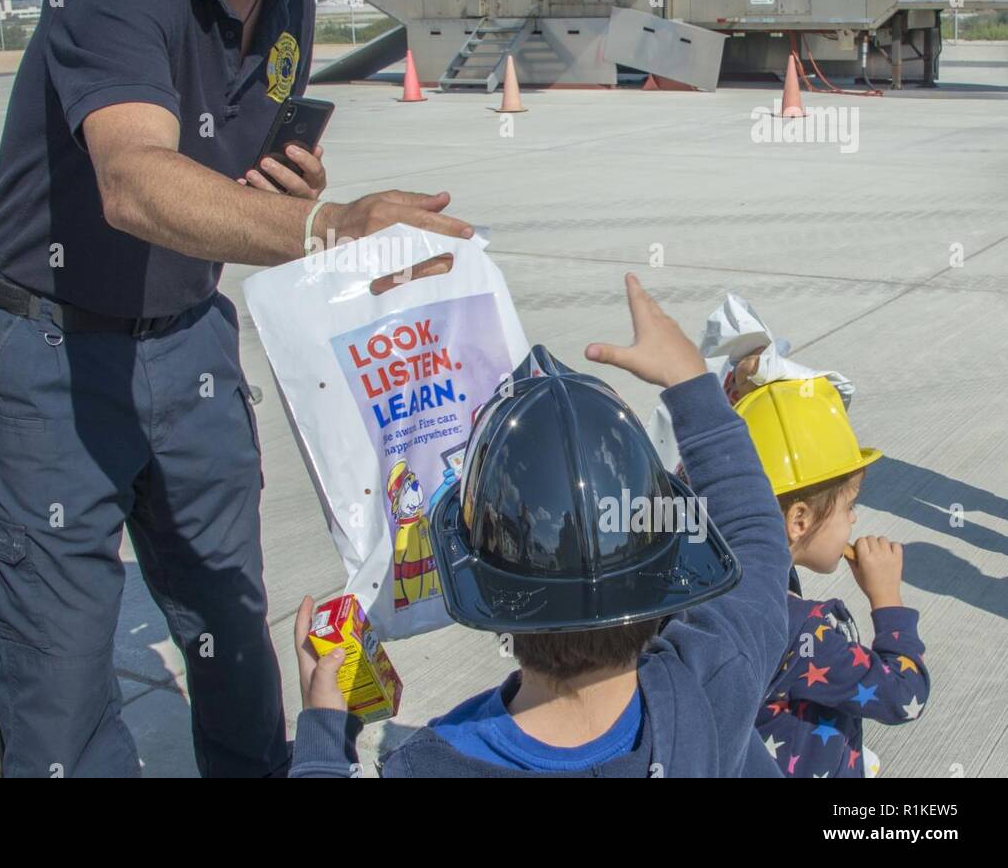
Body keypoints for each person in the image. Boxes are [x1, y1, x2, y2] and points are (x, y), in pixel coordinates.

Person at [0, 0, 471, 778]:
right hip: (55, 358)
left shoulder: (287, 0)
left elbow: (230, 180)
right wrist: (329, 224)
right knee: (62, 696)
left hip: (191, 344)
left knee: (233, 640)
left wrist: (285, 194)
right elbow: (136, 183)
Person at [289, 274, 790, 777]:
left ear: (483, 590)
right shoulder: (715, 685)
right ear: (665, 569)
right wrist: (691, 384)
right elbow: (757, 542)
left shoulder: (430, 764)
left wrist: (323, 735)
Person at [737, 378, 930, 777]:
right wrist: (888, 600)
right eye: (849, 505)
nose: (854, 519)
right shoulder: (807, 634)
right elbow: (904, 696)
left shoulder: (723, 587)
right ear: (799, 520)